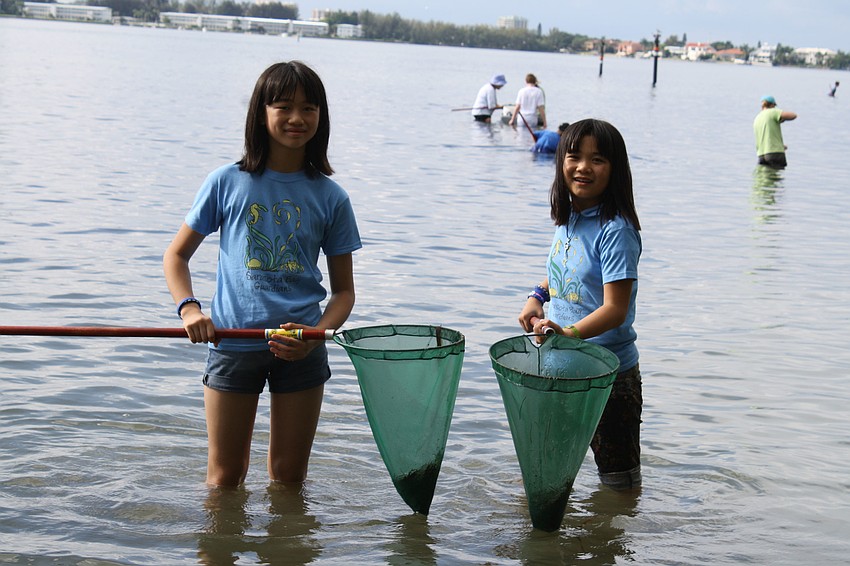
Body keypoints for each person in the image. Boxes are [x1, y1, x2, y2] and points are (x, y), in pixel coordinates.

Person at [163, 61, 362, 488]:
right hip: (234, 343)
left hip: (301, 348)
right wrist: (190, 310)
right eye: (284, 106)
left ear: (321, 117)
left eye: (309, 108)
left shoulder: (332, 197)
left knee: (289, 477)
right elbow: (176, 257)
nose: (297, 118)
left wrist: (315, 336)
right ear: (261, 112)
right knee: (224, 477)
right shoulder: (227, 181)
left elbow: (343, 293)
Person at [518, 119, 642, 490]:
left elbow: (615, 308)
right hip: (560, 367)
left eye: (597, 159)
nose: (583, 167)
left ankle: (610, 546)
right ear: (561, 163)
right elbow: (562, 275)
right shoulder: (569, 217)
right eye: (574, 156)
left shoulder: (615, 230)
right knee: (549, 472)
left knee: (618, 486)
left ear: (615, 169)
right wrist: (537, 298)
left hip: (608, 377)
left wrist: (567, 332)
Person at [753, 95, 797, 168]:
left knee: (765, 178)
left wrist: (780, 146)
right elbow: (793, 116)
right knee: (776, 177)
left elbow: (766, 136)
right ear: (773, 105)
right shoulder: (773, 111)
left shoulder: (757, 118)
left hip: (761, 155)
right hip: (774, 154)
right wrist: (782, 118)